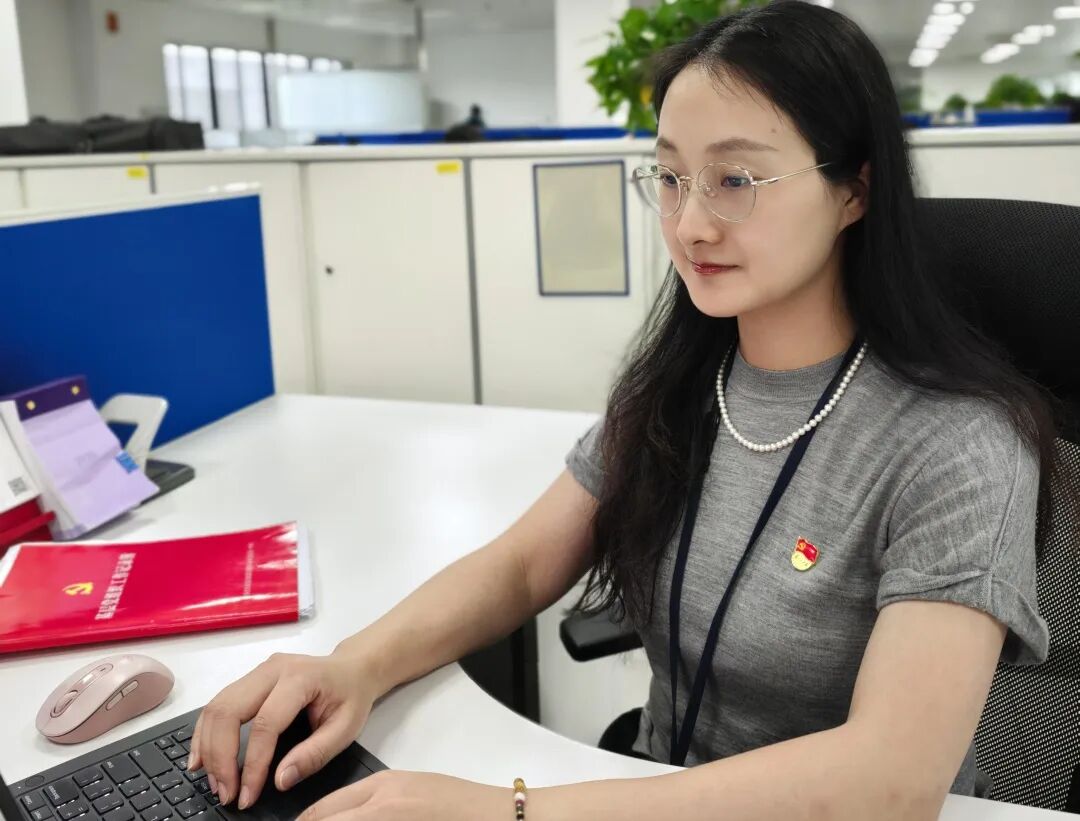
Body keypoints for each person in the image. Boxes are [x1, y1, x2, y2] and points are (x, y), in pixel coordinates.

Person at [188, 2, 1067, 818]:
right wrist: (355, 664)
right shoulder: (685, 382)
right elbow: (522, 566)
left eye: (735, 179)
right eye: (672, 177)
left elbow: (891, 778)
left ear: (855, 190)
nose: (690, 225)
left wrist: (511, 809)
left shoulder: (958, 441)